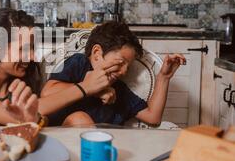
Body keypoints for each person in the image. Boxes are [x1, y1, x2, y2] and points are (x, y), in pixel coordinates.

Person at [41, 21, 186, 127]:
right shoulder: (80, 64)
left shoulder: (118, 89)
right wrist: (90, 89)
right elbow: (47, 92)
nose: (123, 72)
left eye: (127, 67)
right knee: (79, 119)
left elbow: (153, 118)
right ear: (97, 54)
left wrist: (164, 77)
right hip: (65, 144)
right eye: (120, 62)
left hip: (106, 149)